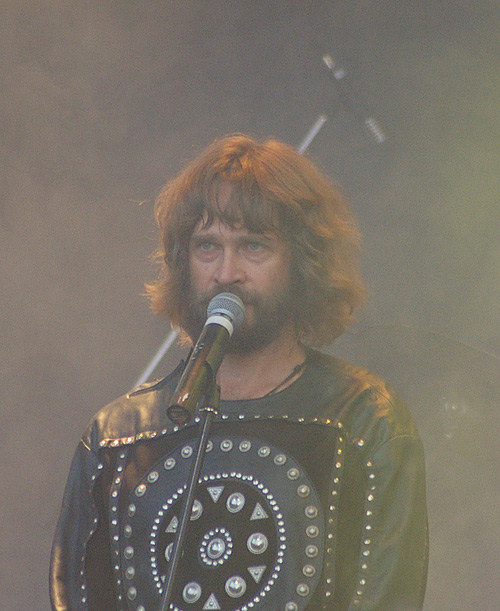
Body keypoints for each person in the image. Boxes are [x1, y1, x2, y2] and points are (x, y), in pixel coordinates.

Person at [50, 134, 428, 611]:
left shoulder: (363, 421)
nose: (227, 272)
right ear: (184, 261)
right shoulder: (116, 438)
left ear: (302, 263)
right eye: (208, 246)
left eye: (253, 246)